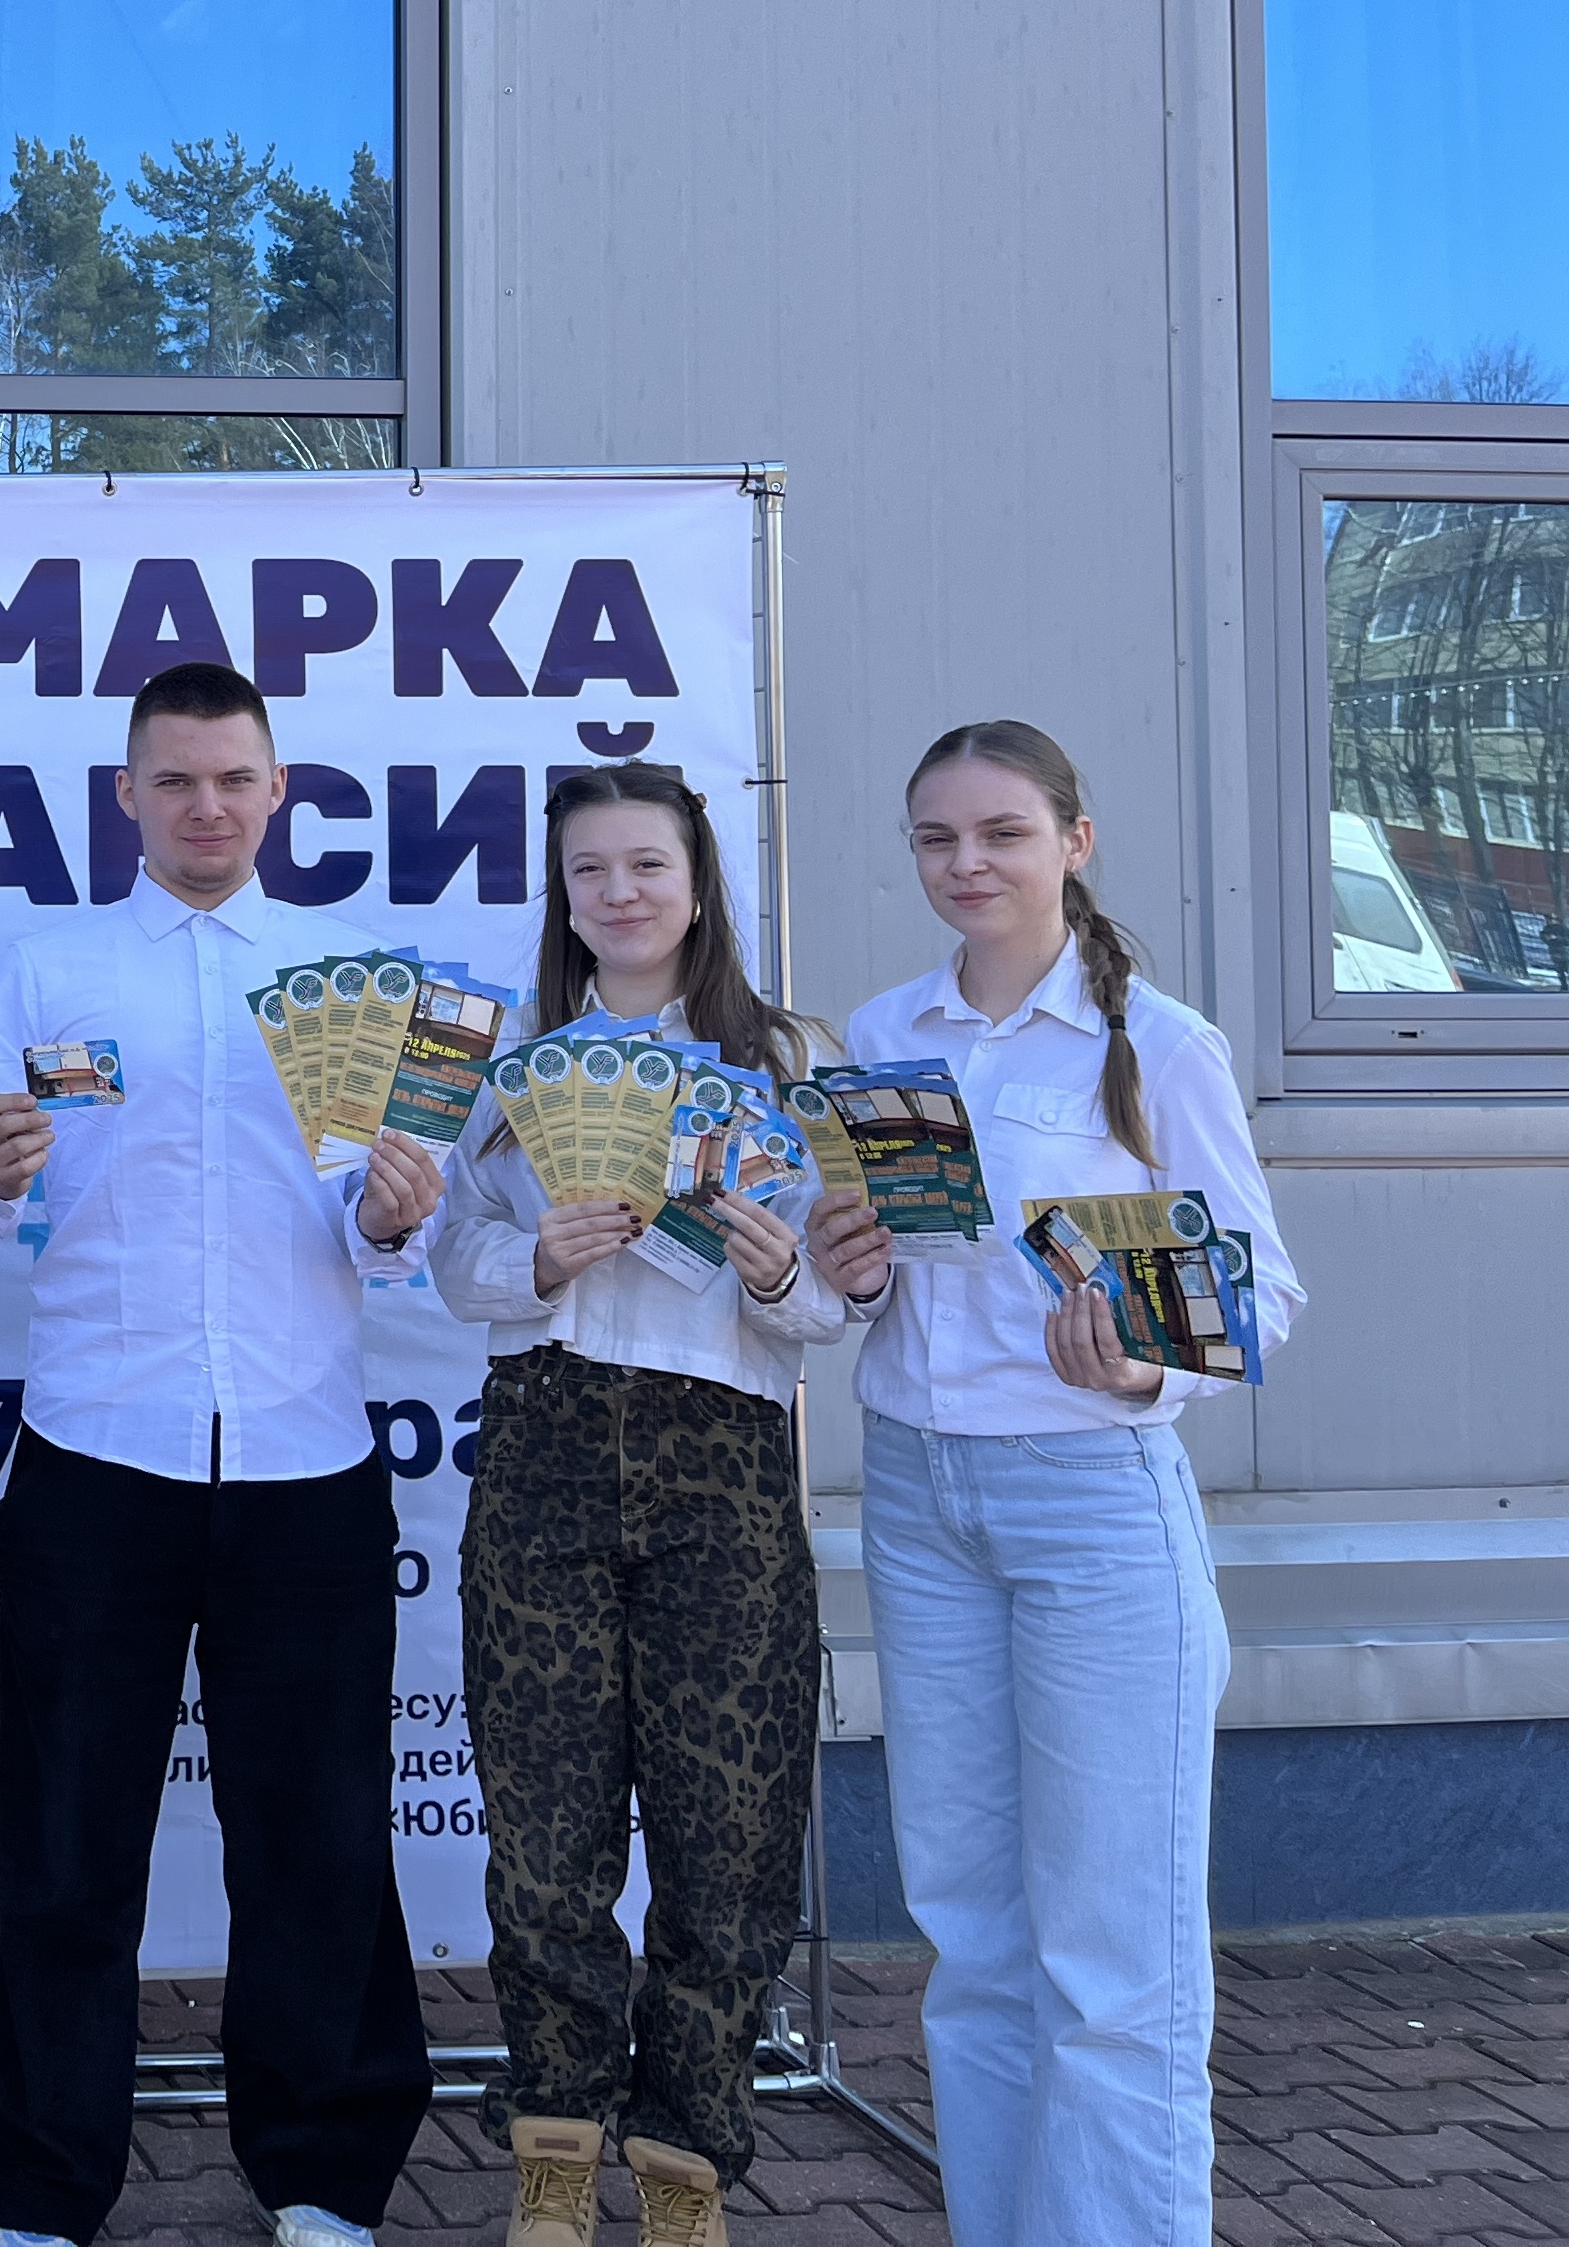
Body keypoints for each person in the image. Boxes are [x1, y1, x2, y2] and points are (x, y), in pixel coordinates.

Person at [0, 659, 443, 2247]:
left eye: (233, 779)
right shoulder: (51, 971)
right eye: (175, 781)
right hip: (96, 1459)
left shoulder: (354, 981)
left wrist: (394, 1219)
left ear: (278, 791)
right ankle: (37, 2191)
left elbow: (393, 1242)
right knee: (65, 1842)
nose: (205, 807)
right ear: (128, 796)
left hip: (307, 1465)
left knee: (321, 1839)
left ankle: (325, 2180)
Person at [809, 720, 1302, 2247]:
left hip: (1093, 1503)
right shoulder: (882, 1035)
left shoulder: (1161, 1045)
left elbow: (1265, 1295)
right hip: (919, 1500)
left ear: (1074, 843)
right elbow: (871, 1293)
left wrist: (1149, 1369)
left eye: (1002, 833)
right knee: (972, 1941)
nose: (967, 864)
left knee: (1113, 1957)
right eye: (936, 838)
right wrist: (849, 1270)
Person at [427, 763, 844, 2247]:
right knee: (544, 1837)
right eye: (589, 871)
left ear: (699, 882)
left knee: (729, 1836)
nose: (619, 894)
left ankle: (685, 2165)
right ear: (561, 897)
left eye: (646, 865)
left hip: (721, 1463)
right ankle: (553, 2149)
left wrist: (777, 1272)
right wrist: (535, 1260)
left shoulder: (787, 1060)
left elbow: (836, 1310)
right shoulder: (510, 1064)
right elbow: (451, 1265)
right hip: (541, 1451)